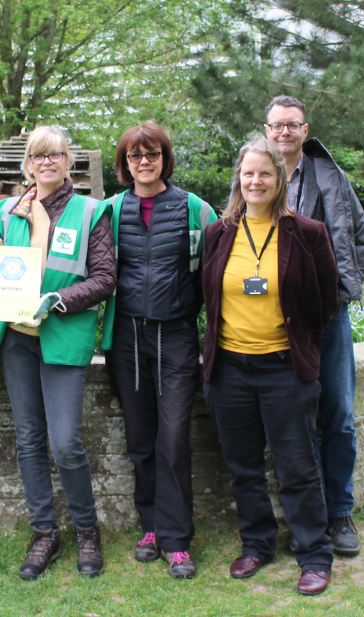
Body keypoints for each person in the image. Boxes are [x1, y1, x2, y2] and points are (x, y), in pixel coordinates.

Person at [201, 137, 339, 595]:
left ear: (280, 179)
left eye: (265, 173)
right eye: (248, 173)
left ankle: (314, 554)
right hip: (230, 371)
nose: (255, 181)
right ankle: (257, 543)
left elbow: (326, 302)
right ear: (238, 180)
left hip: (285, 369)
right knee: (243, 466)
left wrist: (302, 348)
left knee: (297, 466)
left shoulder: (308, 232)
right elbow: (208, 296)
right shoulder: (218, 234)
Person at [0, 125, 116, 580]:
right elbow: (9, 265)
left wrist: (58, 300)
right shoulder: (8, 208)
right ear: (28, 164)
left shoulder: (90, 211)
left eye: (55, 154)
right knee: (28, 440)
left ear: (68, 160)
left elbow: (104, 278)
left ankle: (86, 529)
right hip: (17, 338)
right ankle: (43, 532)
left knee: (65, 442)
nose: (47, 162)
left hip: (62, 335)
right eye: (38, 156)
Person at [99, 123, 216, 579]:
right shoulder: (109, 211)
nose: (143, 162)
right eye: (134, 156)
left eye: (152, 154)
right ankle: (150, 527)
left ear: (165, 158)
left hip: (176, 336)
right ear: (124, 164)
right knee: (140, 438)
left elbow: (216, 271)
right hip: (127, 338)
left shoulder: (194, 209)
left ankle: (176, 539)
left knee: (173, 437)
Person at [264, 95, 364, 555]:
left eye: (293, 125)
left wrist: (345, 290)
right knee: (295, 419)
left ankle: (340, 512)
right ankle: (306, 516)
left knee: (339, 416)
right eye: (276, 125)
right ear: (265, 130)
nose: (284, 132)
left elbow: (361, 237)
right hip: (277, 322)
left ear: (306, 130)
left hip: (328, 319)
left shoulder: (331, 177)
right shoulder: (254, 174)